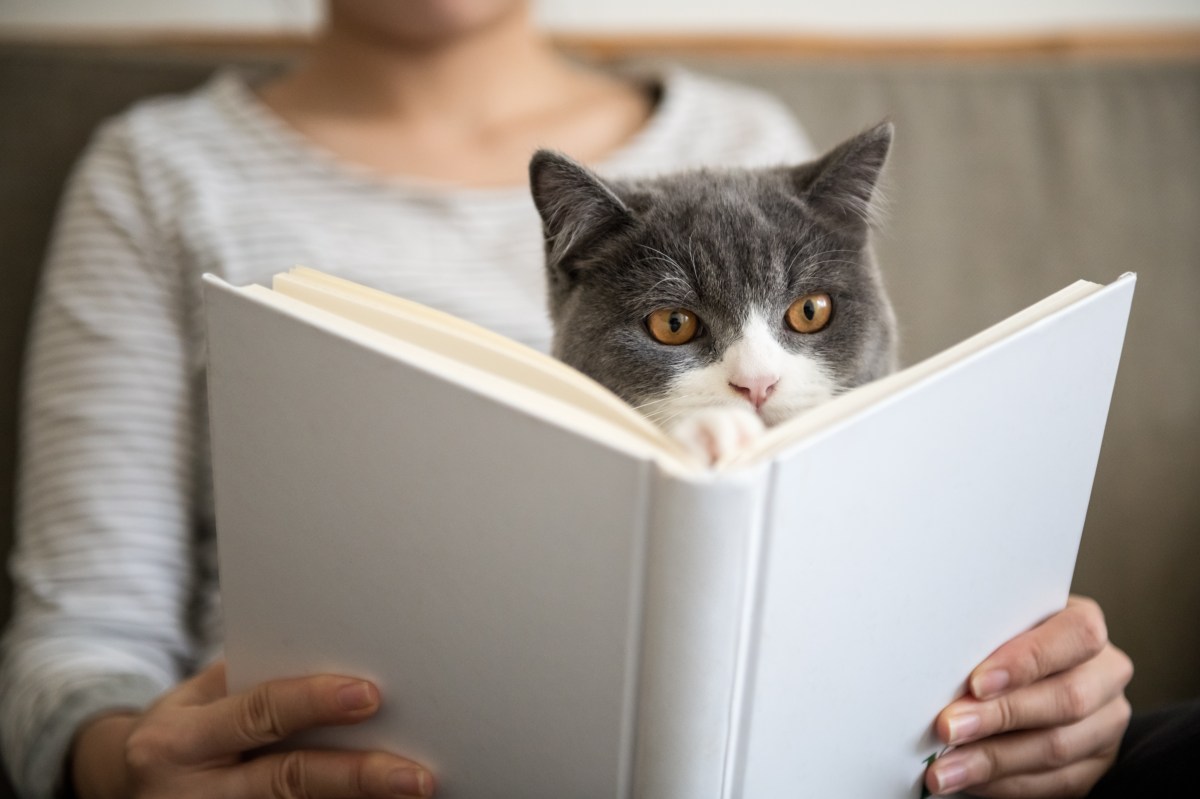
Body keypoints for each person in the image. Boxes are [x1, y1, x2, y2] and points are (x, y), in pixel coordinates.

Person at [0, 1, 1135, 797]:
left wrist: (1014, 686)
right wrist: (127, 765)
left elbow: (877, 513)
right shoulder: (159, 173)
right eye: (682, 324)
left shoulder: (750, 151)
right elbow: (79, 638)